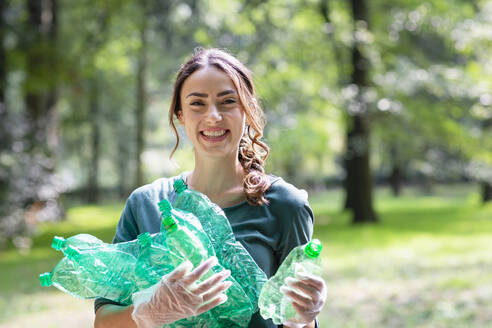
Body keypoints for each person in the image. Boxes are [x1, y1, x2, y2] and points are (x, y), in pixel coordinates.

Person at [94, 48, 326, 328]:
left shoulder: (285, 206)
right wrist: (149, 312)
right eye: (197, 104)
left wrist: (302, 320)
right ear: (180, 115)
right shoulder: (145, 204)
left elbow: (295, 317)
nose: (213, 116)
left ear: (247, 110)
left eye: (228, 101)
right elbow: (104, 322)